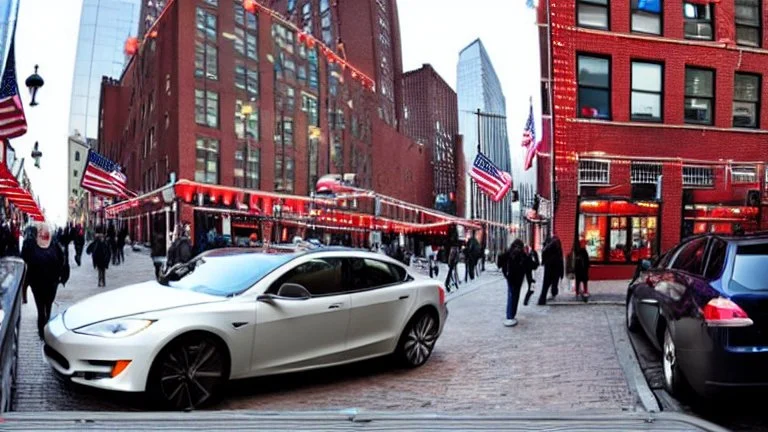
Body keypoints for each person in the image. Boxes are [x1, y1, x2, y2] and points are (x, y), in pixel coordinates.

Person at [21, 223, 68, 339]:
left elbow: (24, 258)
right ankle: (44, 333)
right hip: (45, 284)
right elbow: (62, 262)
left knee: (44, 309)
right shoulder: (51, 246)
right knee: (44, 309)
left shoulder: (47, 246)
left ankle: (43, 332)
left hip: (44, 284)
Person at [502, 239, 527, 327]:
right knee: (515, 296)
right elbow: (529, 265)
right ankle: (511, 315)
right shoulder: (522, 254)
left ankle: (510, 315)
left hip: (511, 278)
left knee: (511, 296)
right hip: (518, 278)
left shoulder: (509, 252)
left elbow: (501, 262)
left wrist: (505, 274)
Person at [538, 236, 564, 306]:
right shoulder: (558, 249)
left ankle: (542, 299)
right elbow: (561, 260)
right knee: (554, 282)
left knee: (545, 285)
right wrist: (562, 273)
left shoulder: (547, 248)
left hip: (548, 268)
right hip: (556, 268)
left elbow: (543, 255)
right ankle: (554, 292)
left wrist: (544, 262)